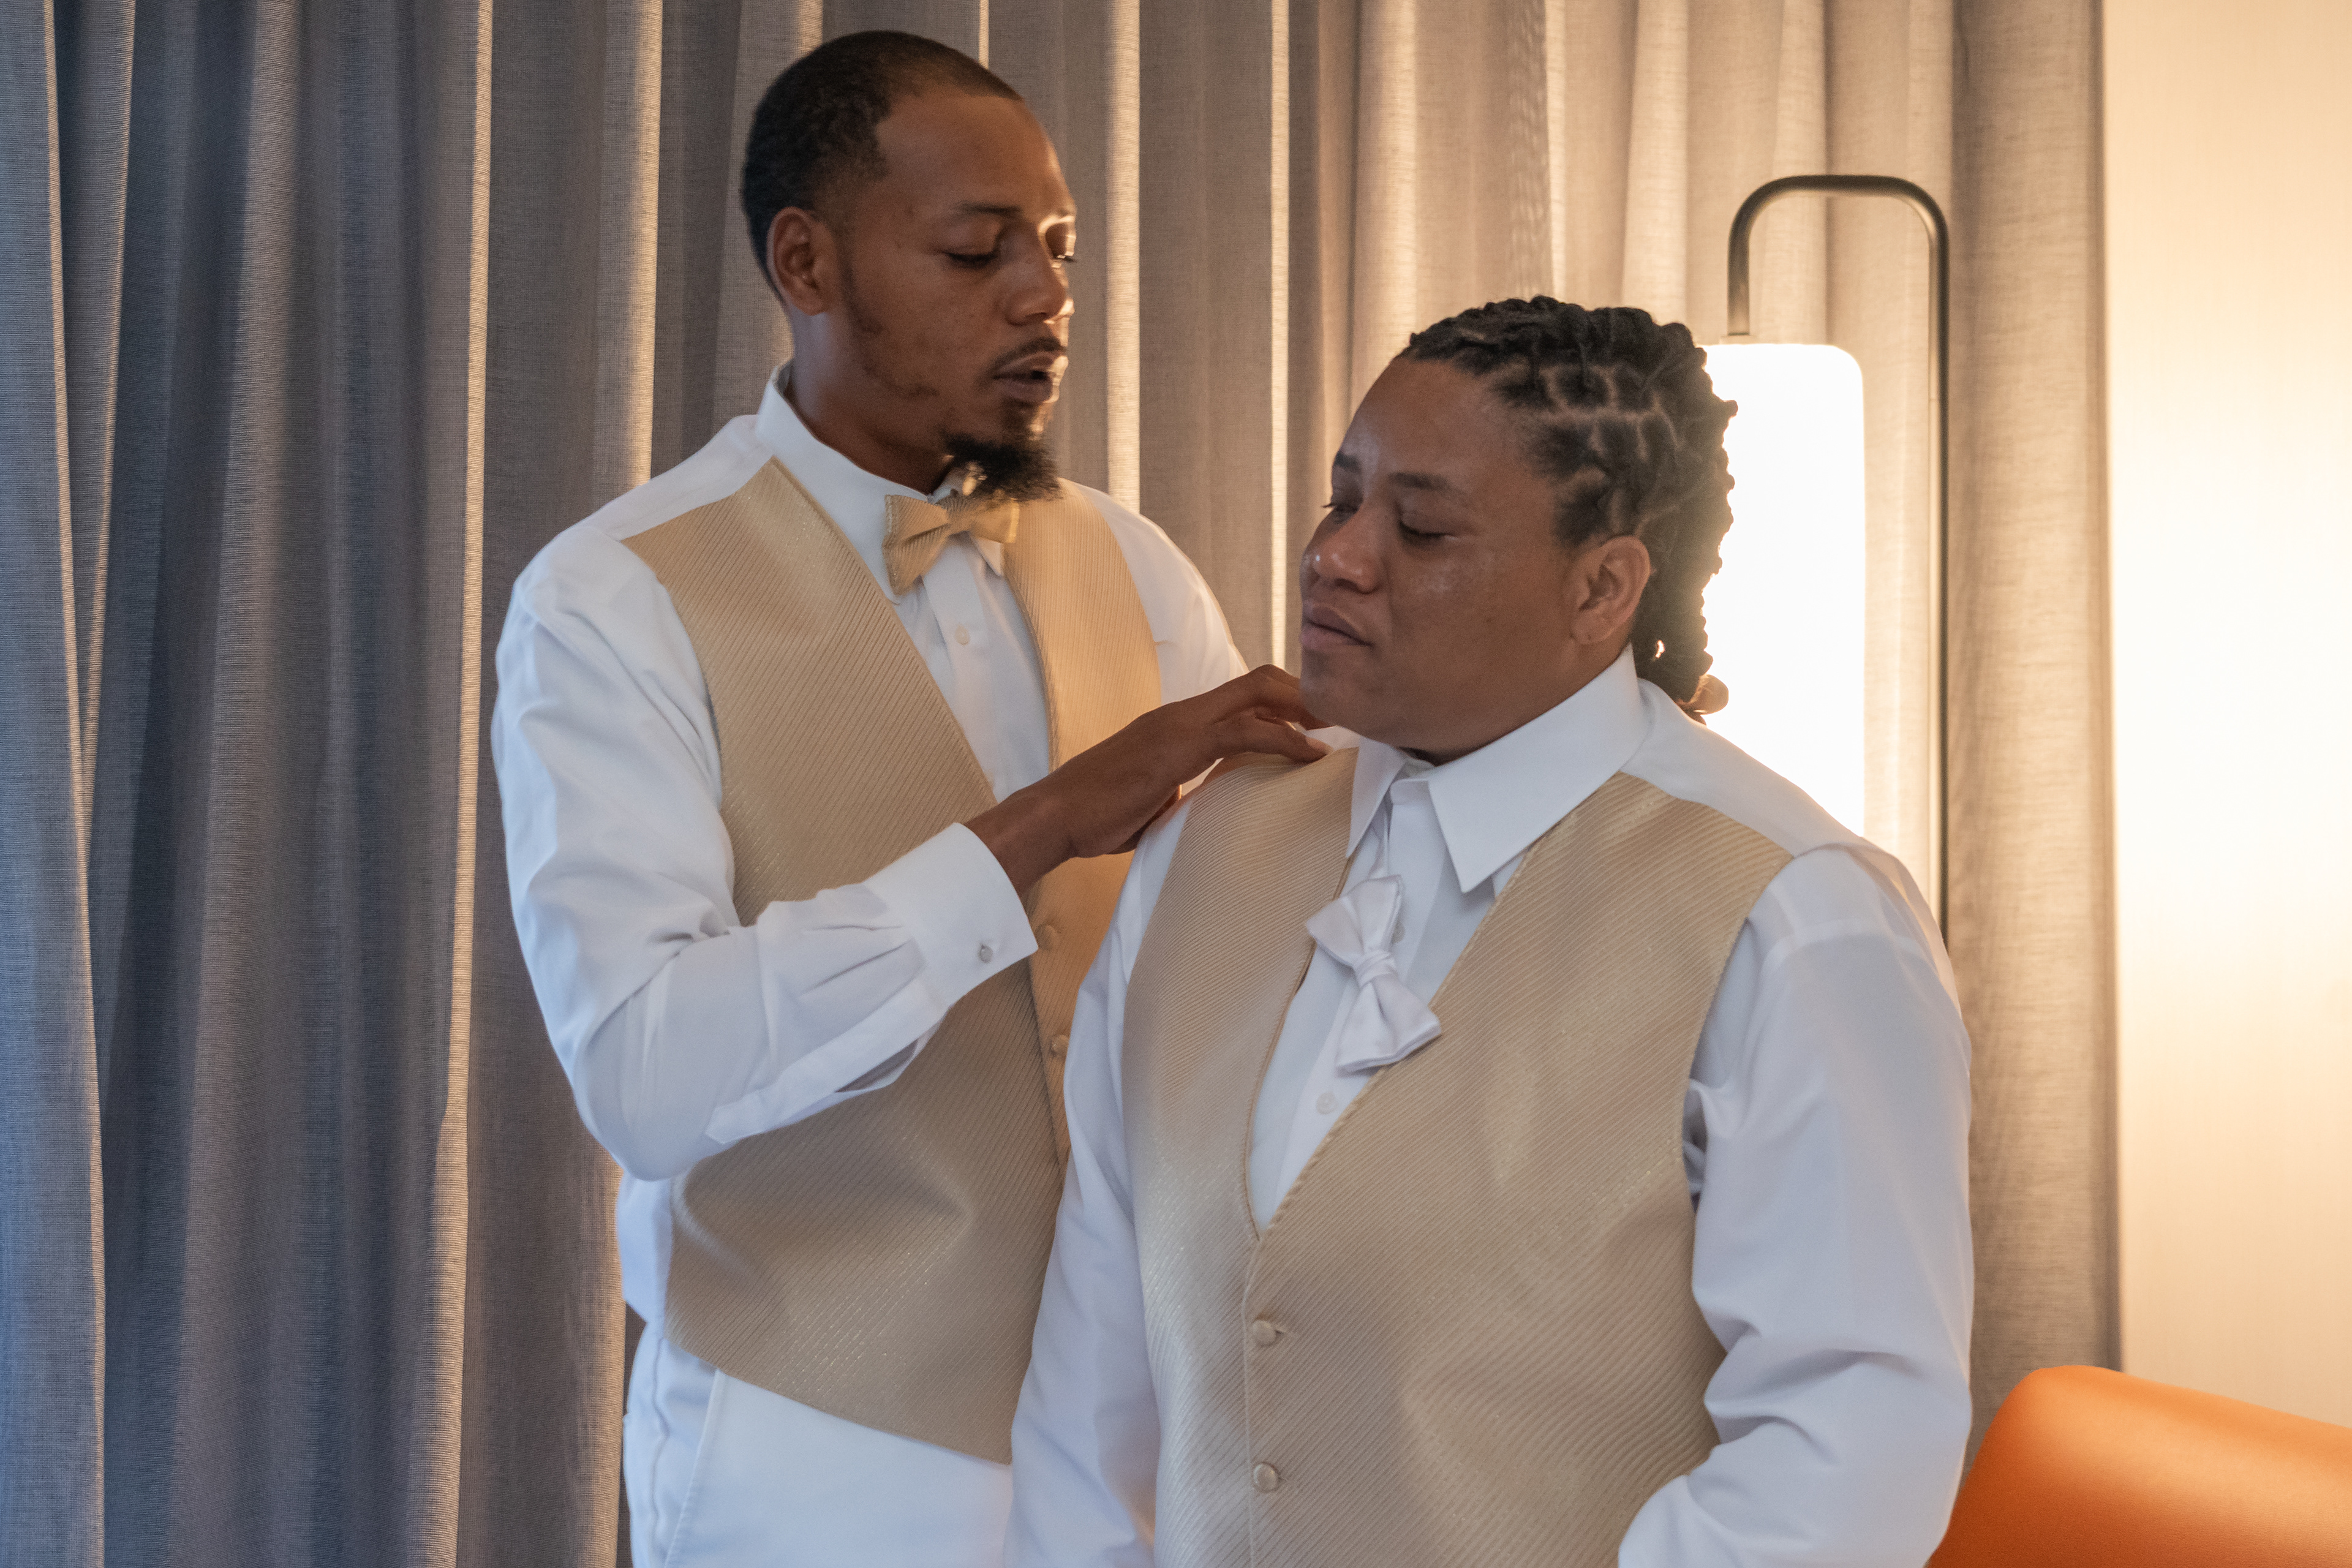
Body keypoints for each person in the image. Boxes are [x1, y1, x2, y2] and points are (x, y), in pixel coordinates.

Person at [492, 31, 1320, 1568]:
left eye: (1059, 247)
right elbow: (644, 1070)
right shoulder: (612, 598)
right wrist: (1039, 826)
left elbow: (1262, 943)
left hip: (1139, 1435)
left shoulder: (1136, 565)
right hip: (818, 1451)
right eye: (976, 248)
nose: (1044, 294)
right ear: (807, 262)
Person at [1005, 299, 1975, 1568]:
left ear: (1602, 586)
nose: (1338, 557)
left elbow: (1847, 1455)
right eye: (1341, 500)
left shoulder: (1794, 916)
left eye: (1421, 528)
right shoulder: (1206, 846)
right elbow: (1095, 1381)